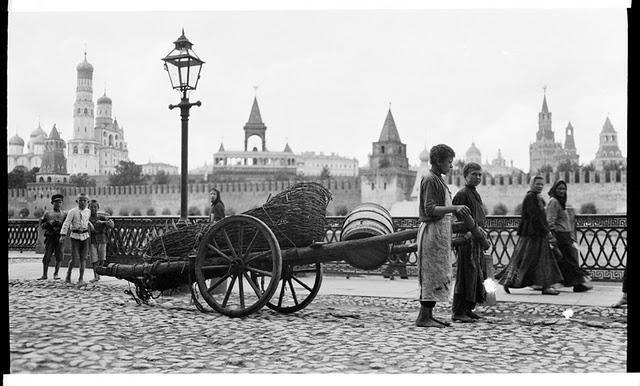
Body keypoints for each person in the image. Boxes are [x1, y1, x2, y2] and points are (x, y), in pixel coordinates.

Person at [415, 144, 471, 328]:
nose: (451, 166)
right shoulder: (430, 179)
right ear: (438, 161)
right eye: (449, 162)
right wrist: (454, 208)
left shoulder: (438, 180)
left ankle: (429, 314)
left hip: (439, 233)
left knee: (437, 274)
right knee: (431, 275)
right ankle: (424, 317)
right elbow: (430, 209)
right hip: (432, 233)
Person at [496, 176, 564, 295]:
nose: (540, 186)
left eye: (542, 184)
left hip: (537, 234)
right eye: (537, 184)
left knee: (538, 260)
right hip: (533, 235)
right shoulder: (530, 197)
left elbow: (540, 217)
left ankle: (544, 286)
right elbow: (535, 217)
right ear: (532, 184)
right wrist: (546, 231)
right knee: (526, 259)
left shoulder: (537, 197)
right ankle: (509, 281)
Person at [451, 162, 489, 323]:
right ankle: (458, 311)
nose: (477, 177)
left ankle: (468, 308)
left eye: (480, 174)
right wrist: (467, 233)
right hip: (466, 241)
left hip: (476, 241)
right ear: (465, 176)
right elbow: (454, 218)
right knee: (464, 276)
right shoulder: (462, 194)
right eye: (474, 174)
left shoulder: (475, 194)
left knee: (475, 275)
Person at [546, 180, 592, 292]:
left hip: (565, 236)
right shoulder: (554, 202)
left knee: (568, 260)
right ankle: (577, 284)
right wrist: (553, 237)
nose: (562, 191)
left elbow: (563, 221)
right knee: (569, 260)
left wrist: (570, 236)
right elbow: (550, 220)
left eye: (564, 189)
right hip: (559, 236)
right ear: (554, 189)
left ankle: (574, 284)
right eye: (559, 189)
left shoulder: (560, 202)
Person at [60, 193, 93, 287]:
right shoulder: (72, 211)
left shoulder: (88, 211)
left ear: (87, 202)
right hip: (75, 237)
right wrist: (63, 234)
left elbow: (87, 220)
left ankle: (81, 278)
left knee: (84, 258)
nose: (82, 203)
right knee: (74, 259)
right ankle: (68, 274)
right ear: (77, 201)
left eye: (84, 201)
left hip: (85, 236)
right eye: (80, 200)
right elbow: (67, 223)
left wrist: (90, 224)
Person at [38, 194, 67, 280]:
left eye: (60, 202)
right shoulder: (47, 213)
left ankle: (56, 274)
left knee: (59, 255)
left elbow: (67, 225)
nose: (58, 204)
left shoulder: (64, 214)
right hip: (50, 236)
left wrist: (60, 224)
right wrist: (49, 223)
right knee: (47, 255)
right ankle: (44, 274)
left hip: (59, 237)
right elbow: (42, 225)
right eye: (56, 202)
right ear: (52, 203)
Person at [88, 199, 114, 283]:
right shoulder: (87, 217)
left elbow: (112, 225)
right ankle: (96, 276)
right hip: (92, 240)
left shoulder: (101, 217)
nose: (93, 209)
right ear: (89, 208)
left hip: (102, 240)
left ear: (98, 208)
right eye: (91, 207)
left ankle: (99, 272)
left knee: (102, 259)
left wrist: (103, 222)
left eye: (95, 207)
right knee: (94, 259)